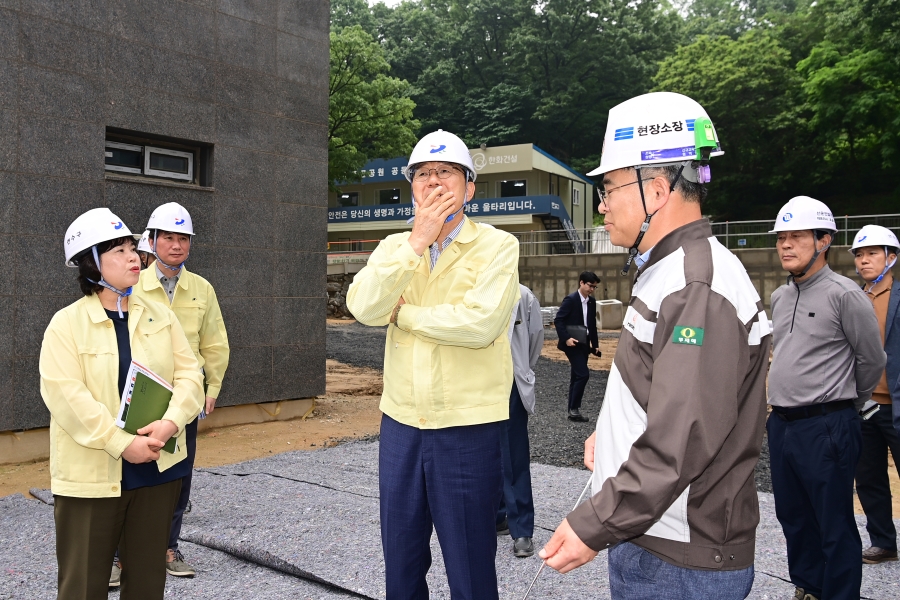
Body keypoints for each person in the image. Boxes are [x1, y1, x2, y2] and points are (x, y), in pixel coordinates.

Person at [538, 92, 772, 600]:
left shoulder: (695, 288)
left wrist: (594, 522)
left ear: (658, 189)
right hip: (655, 533)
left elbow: (682, 437)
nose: (602, 205)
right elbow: (659, 391)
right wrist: (611, 435)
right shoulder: (668, 271)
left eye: (608, 188)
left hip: (679, 556)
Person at [346, 129, 520, 600]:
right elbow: (362, 307)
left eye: (446, 172)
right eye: (423, 174)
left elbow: (480, 325)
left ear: (470, 187)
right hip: (401, 421)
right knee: (400, 556)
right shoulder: (394, 247)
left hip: (467, 425)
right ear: (412, 188)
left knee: (469, 561)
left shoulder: (498, 246)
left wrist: (405, 314)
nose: (434, 182)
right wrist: (416, 242)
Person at [41, 208, 203, 600]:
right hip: (91, 477)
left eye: (133, 248)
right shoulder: (66, 324)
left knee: (147, 585)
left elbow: (190, 376)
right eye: (118, 251)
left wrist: (171, 423)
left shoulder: (159, 315)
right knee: (83, 585)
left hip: (156, 469)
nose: (134, 257)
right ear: (91, 264)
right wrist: (120, 442)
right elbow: (66, 396)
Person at [767, 197, 885, 600]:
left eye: (796, 236)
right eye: (781, 237)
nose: (785, 245)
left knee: (833, 521)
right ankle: (809, 585)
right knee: (793, 517)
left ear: (823, 241)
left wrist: (846, 404)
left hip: (828, 424)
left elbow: (872, 358)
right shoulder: (780, 297)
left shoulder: (845, 294)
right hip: (782, 425)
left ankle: (839, 594)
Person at [128, 202, 230, 579]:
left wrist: (212, 386)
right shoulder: (133, 282)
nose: (176, 245)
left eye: (182, 238)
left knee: (177, 475)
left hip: (184, 397)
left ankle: (168, 548)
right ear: (151, 241)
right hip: (141, 394)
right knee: (133, 471)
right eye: (167, 237)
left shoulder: (201, 288)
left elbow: (215, 343)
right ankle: (124, 555)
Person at [850, 225, 900, 564]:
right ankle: (883, 541)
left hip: (896, 403)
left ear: (891, 258)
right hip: (864, 406)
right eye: (859, 254)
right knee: (868, 477)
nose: (864, 260)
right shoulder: (851, 297)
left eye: (872, 253)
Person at [496, 284, 544, 558]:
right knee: (479, 453)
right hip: (473, 384)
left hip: (510, 384)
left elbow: (535, 338)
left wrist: (522, 370)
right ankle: (497, 516)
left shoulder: (522, 295)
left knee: (513, 457)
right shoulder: (468, 285)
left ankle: (522, 529)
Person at [554, 272, 601, 421]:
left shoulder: (592, 302)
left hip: (584, 343)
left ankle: (572, 410)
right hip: (572, 343)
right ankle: (574, 409)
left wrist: (596, 345)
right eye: (590, 285)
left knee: (576, 376)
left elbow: (592, 325)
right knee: (583, 374)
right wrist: (566, 338)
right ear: (581, 283)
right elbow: (558, 320)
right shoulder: (571, 300)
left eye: (594, 287)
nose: (592, 289)